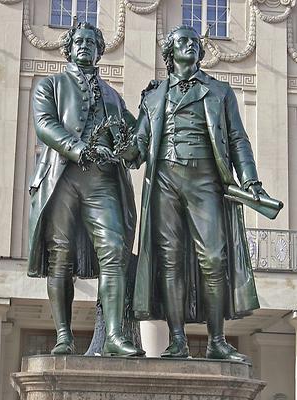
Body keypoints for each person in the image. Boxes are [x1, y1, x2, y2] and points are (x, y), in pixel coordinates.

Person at [132, 25, 268, 362]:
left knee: (213, 258)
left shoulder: (220, 91)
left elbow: (238, 139)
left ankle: (217, 340)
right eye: (182, 41)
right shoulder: (153, 96)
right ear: (170, 52)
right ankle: (177, 340)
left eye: (194, 42)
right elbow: (138, 145)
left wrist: (249, 179)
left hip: (205, 178)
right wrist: (120, 148)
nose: (190, 45)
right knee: (170, 262)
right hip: (164, 179)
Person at [28, 22, 144, 357]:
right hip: (62, 177)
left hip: (103, 181)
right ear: (68, 48)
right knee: (60, 257)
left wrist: (140, 136)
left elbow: (133, 135)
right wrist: (79, 149)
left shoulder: (112, 95)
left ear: (99, 50)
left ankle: (114, 336)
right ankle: (63, 335)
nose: (84, 46)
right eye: (78, 41)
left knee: (114, 252)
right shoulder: (49, 85)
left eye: (91, 42)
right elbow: (45, 125)